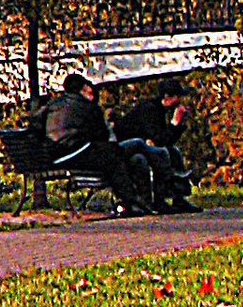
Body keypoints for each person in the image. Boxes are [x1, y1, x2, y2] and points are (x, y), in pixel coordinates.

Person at [40, 70, 157, 213]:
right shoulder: (87, 106)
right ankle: (162, 182)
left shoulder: (52, 104)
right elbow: (102, 134)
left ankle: (138, 202)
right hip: (77, 155)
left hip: (56, 155)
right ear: (84, 88)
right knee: (130, 148)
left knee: (136, 158)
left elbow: (35, 124)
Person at [112, 84, 195, 213]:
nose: (178, 101)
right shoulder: (149, 110)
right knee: (160, 154)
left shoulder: (160, 110)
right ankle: (158, 200)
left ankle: (179, 198)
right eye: (177, 97)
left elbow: (165, 139)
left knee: (174, 152)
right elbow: (159, 139)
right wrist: (174, 123)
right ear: (167, 97)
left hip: (142, 147)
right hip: (127, 149)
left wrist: (176, 126)